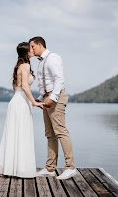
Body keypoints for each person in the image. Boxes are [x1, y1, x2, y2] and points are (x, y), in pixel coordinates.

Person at [0, 42, 43, 178]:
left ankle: (9, 168)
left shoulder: (19, 66)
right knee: (21, 133)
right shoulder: (25, 66)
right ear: (27, 53)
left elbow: (17, 88)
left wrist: (31, 100)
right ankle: (19, 169)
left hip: (17, 100)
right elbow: (25, 86)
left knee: (15, 133)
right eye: (30, 49)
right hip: (21, 103)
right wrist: (33, 102)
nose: (32, 50)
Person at [29, 36, 76, 180]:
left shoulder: (52, 57)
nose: (31, 49)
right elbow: (46, 83)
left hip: (56, 98)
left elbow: (59, 80)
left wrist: (52, 98)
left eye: (32, 46)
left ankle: (70, 167)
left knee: (61, 131)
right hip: (47, 99)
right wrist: (42, 98)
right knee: (50, 134)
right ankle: (50, 168)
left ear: (39, 44)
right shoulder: (42, 62)